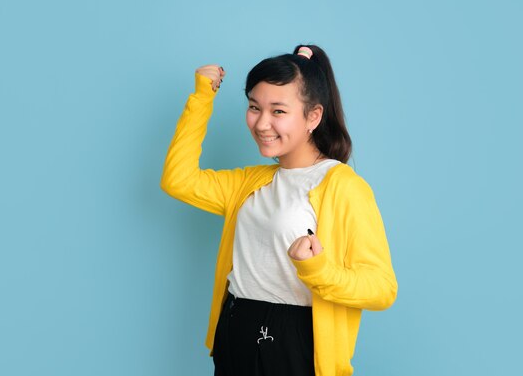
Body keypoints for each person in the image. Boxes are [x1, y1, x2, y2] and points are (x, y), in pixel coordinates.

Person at [160, 44, 398, 376]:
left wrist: (318, 271)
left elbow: (381, 288)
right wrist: (202, 99)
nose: (261, 123)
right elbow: (178, 180)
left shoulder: (342, 186)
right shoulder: (248, 182)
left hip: (294, 341)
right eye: (254, 107)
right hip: (235, 328)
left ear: (313, 116)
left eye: (279, 111)